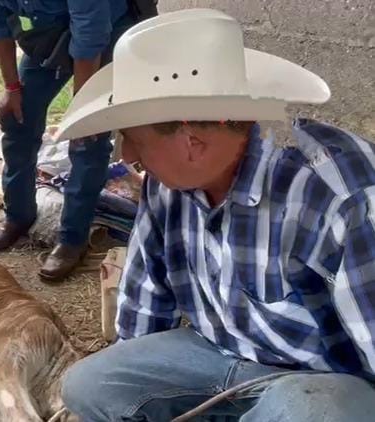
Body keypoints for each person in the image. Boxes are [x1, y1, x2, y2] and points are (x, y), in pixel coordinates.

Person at [57, 9, 375, 421]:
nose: (127, 157)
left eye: (133, 140)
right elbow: (145, 299)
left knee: (310, 411)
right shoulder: (168, 184)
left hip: (320, 382)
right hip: (216, 354)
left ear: (192, 141)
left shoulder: (340, 196)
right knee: (89, 386)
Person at [0, 0, 141, 281]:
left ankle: (72, 239)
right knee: (17, 116)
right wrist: (12, 88)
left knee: (89, 135)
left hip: (108, 31)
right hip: (54, 28)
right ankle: (18, 217)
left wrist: (82, 112)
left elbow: (90, 35)